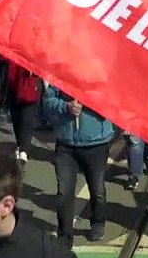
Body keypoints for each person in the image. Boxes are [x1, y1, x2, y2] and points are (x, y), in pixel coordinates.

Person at [42, 84, 115, 248]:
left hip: (96, 144)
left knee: (97, 189)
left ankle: (98, 221)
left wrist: (88, 100)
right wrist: (66, 106)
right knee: (64, 193)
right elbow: (47, 101)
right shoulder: (63, 75)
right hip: (66, 144)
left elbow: (112, 105)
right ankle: (65, 236)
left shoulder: (103, 77)